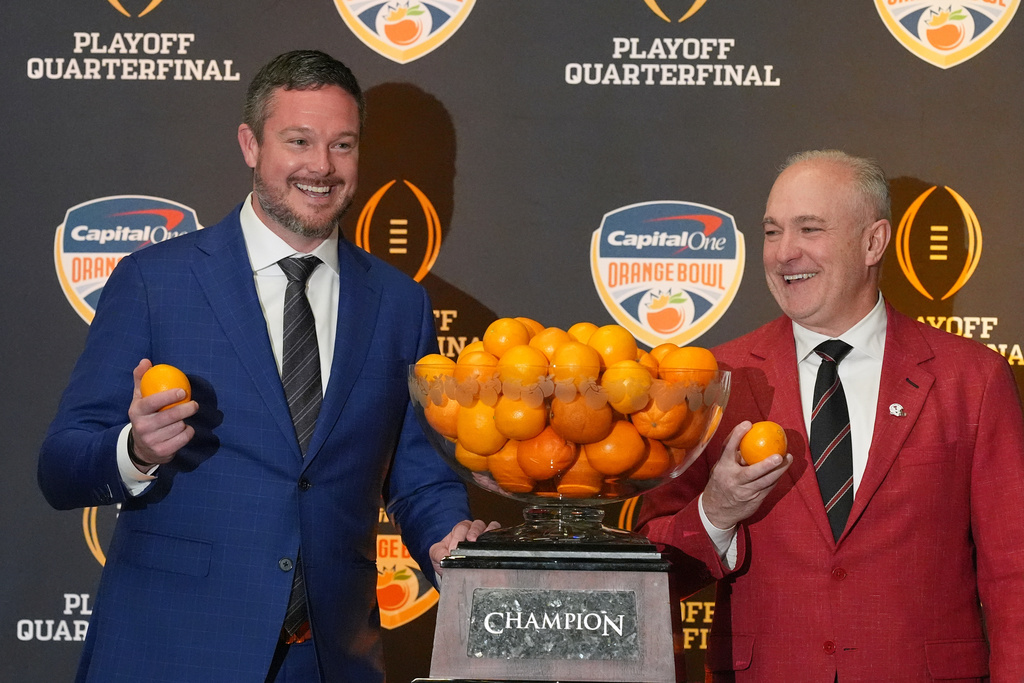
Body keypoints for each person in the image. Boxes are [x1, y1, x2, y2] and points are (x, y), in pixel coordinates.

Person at [38, 50, 495, 683]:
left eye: (342, 144)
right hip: (171, 651)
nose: (322, 167)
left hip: (330, 659)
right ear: (251, 144)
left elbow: (416, 475)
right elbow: (61, 467)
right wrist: (135, 450)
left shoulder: (399, 303)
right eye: (298, 141)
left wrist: (448, 542)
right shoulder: (155, 282)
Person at [639, 150, 1024, 682]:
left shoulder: (973, 379)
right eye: (772, 232)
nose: (784, 253)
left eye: (810, 229)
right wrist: (715, 512)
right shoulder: (714, 380)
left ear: (873, 242)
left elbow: (1015, 575)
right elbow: (650, 569)